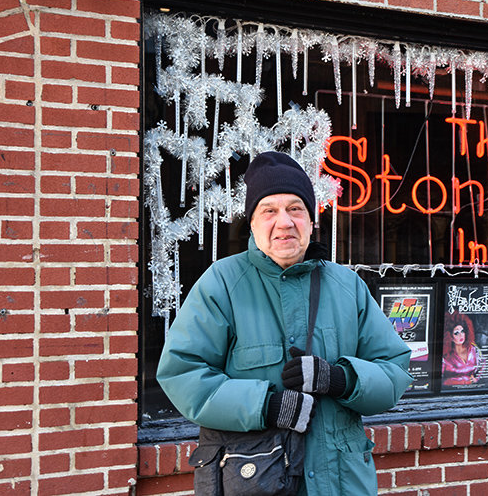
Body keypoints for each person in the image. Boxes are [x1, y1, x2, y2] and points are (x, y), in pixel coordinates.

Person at [156, 151, 413, 495]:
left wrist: (340, 379)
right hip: (254, 478)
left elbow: (394, 371)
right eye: (269, 211)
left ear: (310, 219)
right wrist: (266, 406)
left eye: (295, 209)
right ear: (252, 222)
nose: (284, 222)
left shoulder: (347, 286)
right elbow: (183, 374)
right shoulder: (222, 283)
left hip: (339, 483)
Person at [441, 313, 483, 386]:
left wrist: (476, 378)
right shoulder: (445, 355)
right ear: (449, 336)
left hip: (471, 389)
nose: (461, 335)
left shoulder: (473, 349)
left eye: (462, 331)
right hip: (450, 390)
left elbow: (484, 365)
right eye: (456, 333)